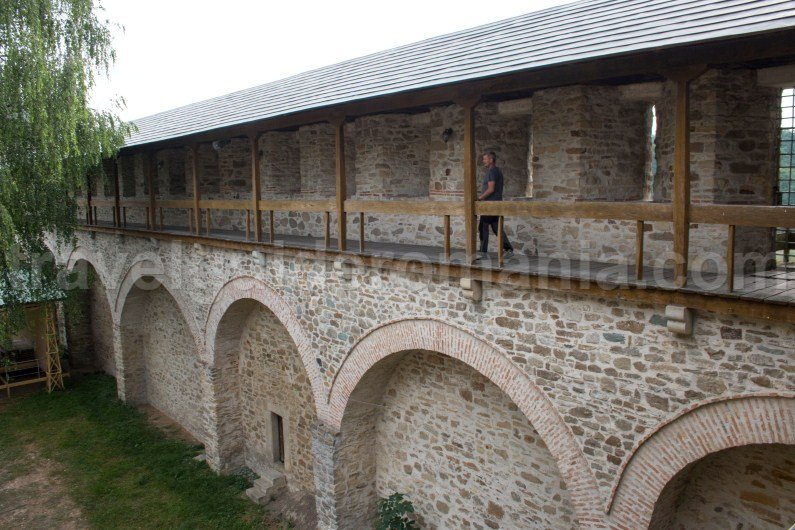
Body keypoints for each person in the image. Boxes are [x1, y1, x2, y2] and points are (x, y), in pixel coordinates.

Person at [476, 151, 513, 260]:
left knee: (483, 227)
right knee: (497, 228)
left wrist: (480, 198)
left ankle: (483, 253)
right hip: (495, 203)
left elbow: (491, 189)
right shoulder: (498, 171)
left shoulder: (491, 172)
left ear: (491, 160)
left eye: (485, 159)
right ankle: (508, 249)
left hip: (490, 204)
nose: (483, 161)